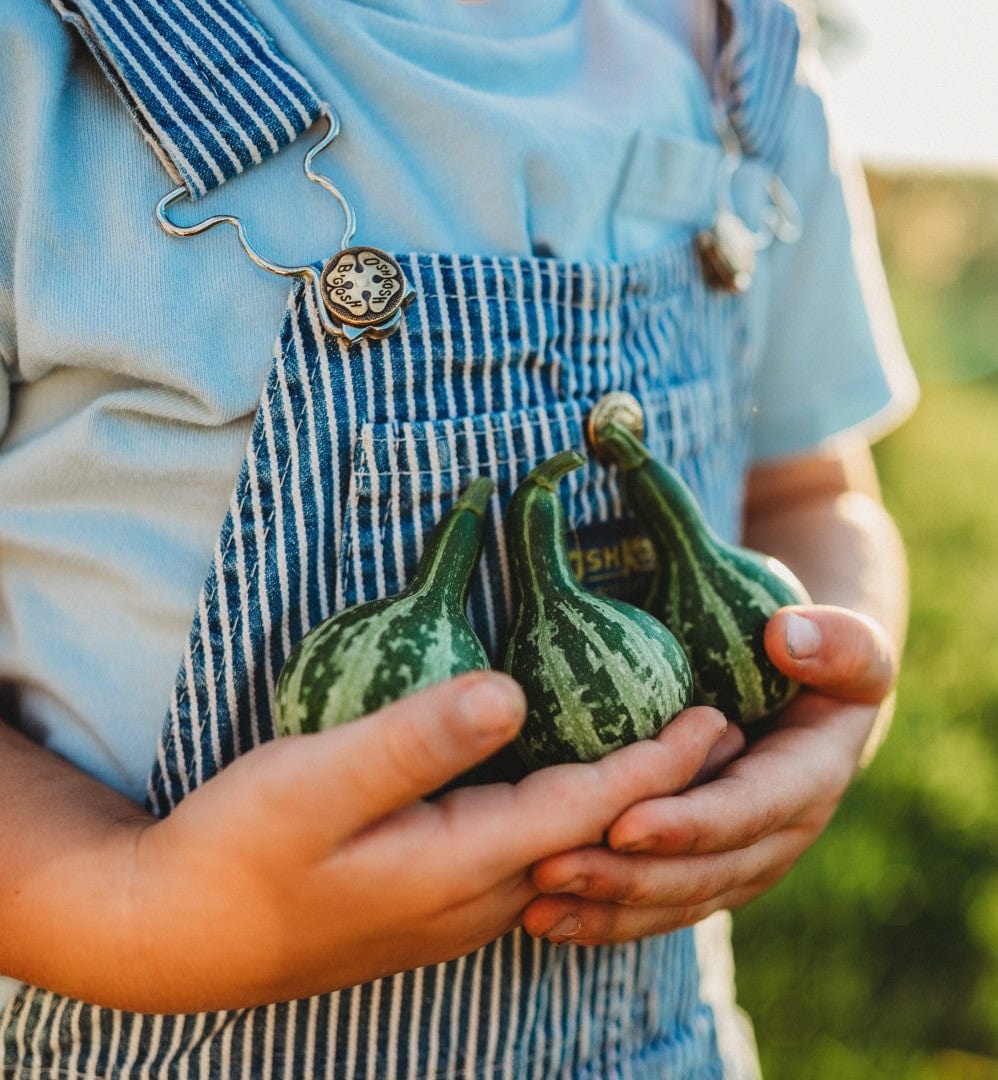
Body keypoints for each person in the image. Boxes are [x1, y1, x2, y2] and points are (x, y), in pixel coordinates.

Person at [0, 0, 917, 1076]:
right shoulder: (39, 55)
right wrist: (132, 902)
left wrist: (830, 707)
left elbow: (808, 487)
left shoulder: (738, 57)